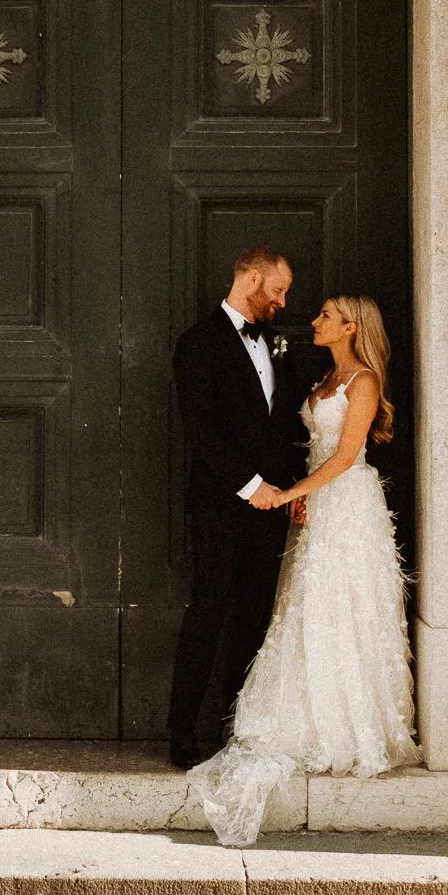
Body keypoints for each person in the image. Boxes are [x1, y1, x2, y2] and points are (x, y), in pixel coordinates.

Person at [188, 294, 420, 846]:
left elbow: (345, 457)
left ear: (349, 327)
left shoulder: (362, 381)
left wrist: (292, 492)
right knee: (306, 605)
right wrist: (299, 492)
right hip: (316, 504)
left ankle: (348, 725)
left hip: (347, 504)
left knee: (343, 606)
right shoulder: (321, 379)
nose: (313, 321)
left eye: (325, 316)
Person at [167, 247, 308, 770]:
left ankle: (237, 727)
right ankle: (182, 732)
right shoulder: (198, 344)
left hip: (273, 509)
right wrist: (252, 486)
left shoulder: (277, 341)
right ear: (252, 278)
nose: (283, 301)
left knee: (254, 619)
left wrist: (291, 489)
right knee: (207, 614)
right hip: (221, 508)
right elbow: (201, 431)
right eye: (278, 289)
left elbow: (287, 422)